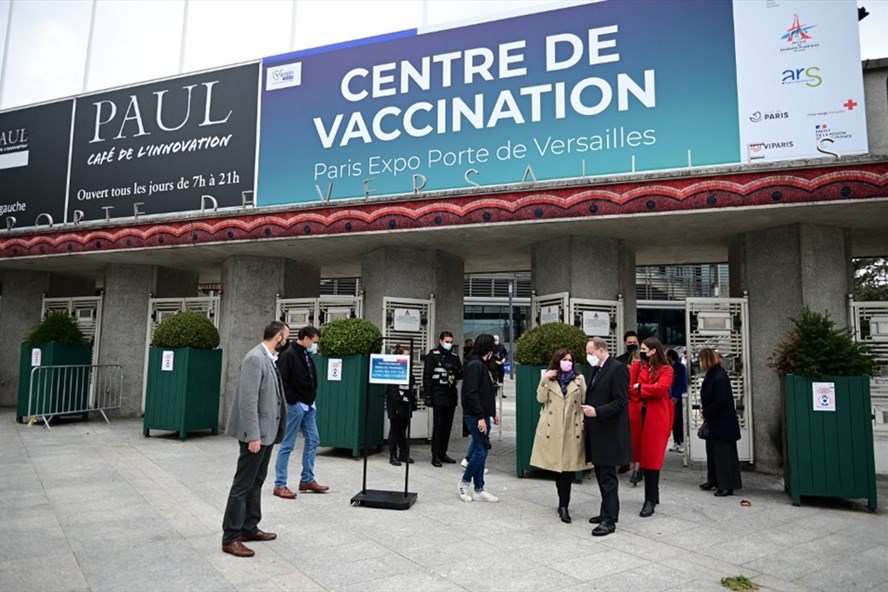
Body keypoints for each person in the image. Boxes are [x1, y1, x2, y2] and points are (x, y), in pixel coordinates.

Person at [221, 321, 289, 558]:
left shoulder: (268, 359)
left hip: (267, 433)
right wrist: (253, 435)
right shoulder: (255, 358)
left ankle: (249, 527)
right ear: (278, 337)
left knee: (256, 481)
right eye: (286, 336)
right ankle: (231, 537)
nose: (287, 341)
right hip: (256, 435)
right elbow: (247, 401)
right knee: (242, 484)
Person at [529, 348, 586, 524]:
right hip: (552, 428)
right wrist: (544, 380)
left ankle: (564, 506)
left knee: (567, 471)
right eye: (564, 359)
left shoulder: (579, 379)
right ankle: (562, 502)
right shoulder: (548, 378)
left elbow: (584, 400)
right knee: (557, 468)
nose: (567, 362)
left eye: (570, 359)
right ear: (557, 361)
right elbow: (540, 399)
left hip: (571, 428)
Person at [273, 325, 329, 498]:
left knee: (313, 439)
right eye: (314, 341)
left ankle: (307, 479)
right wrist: (293, 401)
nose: (315, 345)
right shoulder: (288, 354)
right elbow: (281, 381)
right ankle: (279, 484)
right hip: (297, 405)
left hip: (308, 405)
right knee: (287, 444)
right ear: (306, 339)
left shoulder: (306, 354)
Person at [583, 337, 631, 537]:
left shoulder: (617, 368)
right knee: (602, 475)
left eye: (590, 352)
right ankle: (607, 512)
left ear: (601, 350)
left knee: (608, 478)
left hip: (610, 432)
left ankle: (609, 521)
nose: (588, 356)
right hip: (598, 432)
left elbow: (621, 401)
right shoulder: (599, 368)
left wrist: (597, 411)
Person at [628, 337, 674, 518]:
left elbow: (661, 389)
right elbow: (630, 388)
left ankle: (650, 498)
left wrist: (641, 388)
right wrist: (646, 387)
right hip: (638, 416)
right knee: (640, 455)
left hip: (656, 417)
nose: (642, 351)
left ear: (654, 350)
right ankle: (653, 494)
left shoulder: (666, 369)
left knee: (652, 458)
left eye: (645, 349)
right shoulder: (637, 366)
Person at [458, 333, 500, 502]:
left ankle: (479, 488)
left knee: (480, 450)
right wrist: (481, 417)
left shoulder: (480, 364)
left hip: (481, 414)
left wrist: (492, 413)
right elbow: (472, 393)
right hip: (476, 415)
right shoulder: (476, 365)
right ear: (488, 349)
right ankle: (464, 483)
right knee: (481, 451)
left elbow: (486, 392)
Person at [698, 348, 742, 496]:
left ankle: (726, 485)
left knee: (723, 455)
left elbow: (721, 401)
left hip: (722, 423)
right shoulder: (715, 373)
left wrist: (706, 412)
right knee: (713, 452)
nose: (699, 363)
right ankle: (714, 480)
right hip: (716, 422)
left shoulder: (719, 376)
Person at [423, 331, 463, 467]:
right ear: (440, 341)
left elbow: (460, 374)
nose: (449, 344)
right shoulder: (432, 356)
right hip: (438, 394)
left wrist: (455, 370)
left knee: (447, 426)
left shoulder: (454, 357)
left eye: (451, 342)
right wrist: (427, 396)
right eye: (447, 341)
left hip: (450, 394)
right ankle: (435, 456)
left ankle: (443, 453)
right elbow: (427, 377)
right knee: (438, 426)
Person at [386, 345, 415, 466]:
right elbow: (392, 391)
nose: (408, 359)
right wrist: (398, 404)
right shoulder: (394, 371)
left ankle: (403, 454)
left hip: (406, 406)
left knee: (403, 430)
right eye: (405, 356)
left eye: (409, 356)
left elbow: (412, 389)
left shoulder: (409, 372)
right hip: (396, 405)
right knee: (395, 430)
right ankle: (393, 456)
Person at [667, 349, 688, 453]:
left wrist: (675, 396)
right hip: (672, 397)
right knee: (674, 421)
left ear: (670, 357)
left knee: (679, 420)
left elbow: (682, 384)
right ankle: (676, 442)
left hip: (679, 398)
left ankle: (682, 442)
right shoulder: (671, 367)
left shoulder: (680, 367)